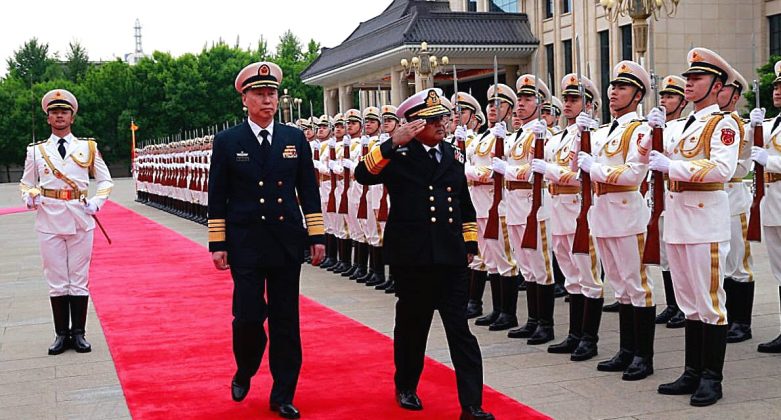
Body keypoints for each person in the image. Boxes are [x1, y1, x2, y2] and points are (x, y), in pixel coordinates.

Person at [355, 88, 493, 420]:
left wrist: (469, 244)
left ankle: (471, 405)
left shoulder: (453, 155)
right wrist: (391, 142)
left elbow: (463, 204)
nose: (442, 125)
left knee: (460, 329)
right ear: (415, 126)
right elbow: (362, 175)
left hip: (450, 258)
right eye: (433, 121)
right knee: (412, 327)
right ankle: (406, 385)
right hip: (413, 258)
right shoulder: (398, 155)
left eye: (443, 118)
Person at [208, 61, 325, 419]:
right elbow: (217, 194)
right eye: (259, 94)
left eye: (272, 93)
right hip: (246, 243)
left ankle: (283, 392)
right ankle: (245, 368)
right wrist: (219, 243)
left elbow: (308, 188)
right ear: (245, 99)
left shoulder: (294, 138)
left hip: (286, 241)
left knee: (286, 320)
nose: (267, 100)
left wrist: (316, 235)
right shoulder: (228, 141)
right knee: (247, 316)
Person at [645, 47, 738, 407]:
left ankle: (712, 378)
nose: (689, 83)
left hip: (705, 221)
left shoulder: (724, 123)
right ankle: (692, 371)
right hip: (678, 219)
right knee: (688, 303)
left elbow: (722, 170)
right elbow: (647, 157)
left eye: (697, 78)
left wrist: (672, 167)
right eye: (688, 77)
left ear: (717, 86)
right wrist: (647, 131)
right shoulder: (679, 125)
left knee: (709, 302)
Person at [19, 89, 113, 355]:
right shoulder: (36, 151)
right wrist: (30, 195)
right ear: (48, 118)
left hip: (81, 217)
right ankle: (61, 334)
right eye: (54, 112)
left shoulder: (87, 147)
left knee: (79, 278)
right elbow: (26, 182)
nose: (59, 116)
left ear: (72, 117)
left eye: (64, 112)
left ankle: (79, 334)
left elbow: (105, 180)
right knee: (57, 278)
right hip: (49, 217)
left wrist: (98, 201)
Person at [579, 61, 655, 381]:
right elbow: (577, 165)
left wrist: (594, 168)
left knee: (637, 287)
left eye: (622, 87)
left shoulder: (641, 129)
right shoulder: (600, 131)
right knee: (621, 288)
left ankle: (643, 356)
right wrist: (578, 136)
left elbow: (632, 174)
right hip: (604, 214)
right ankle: (626, 350)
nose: (613, 92)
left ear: (637, 96)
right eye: (612, 86)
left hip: (626, 213)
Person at [535, 74, 603, 360]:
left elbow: (580, 177)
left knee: (588, 274)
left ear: (590, 105)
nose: (568, 104)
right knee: (571, 274)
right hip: (558, 209)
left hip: (578, 208)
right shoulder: (559, 136)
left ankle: (589, 337)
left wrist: (549, 170)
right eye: (566, 98)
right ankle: (574, 334)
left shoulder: (592, 134)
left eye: (575, 99)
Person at [496, 75, 556, 345]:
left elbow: (534, 171)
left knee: (541, 266)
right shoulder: (516, 135)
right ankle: (532, 320)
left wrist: (506, 170)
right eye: (519, 99)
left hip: (536, 206)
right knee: (527, 266)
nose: (520, 103)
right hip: (515, 205)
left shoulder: (543, 135)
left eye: (527, 99)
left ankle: (546, 323)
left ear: (540, 103)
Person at [717, 67, 754, 343]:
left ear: (735, 94)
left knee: (738, 263)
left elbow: (741, 167)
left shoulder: (739, 126)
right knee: (722, 263)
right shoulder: (710, 124)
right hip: (714, 200)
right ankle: (728, 316)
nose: (719, 91)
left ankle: (742, 322)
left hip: (732, 197)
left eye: (724, 87)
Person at [654, 75, 689, 329]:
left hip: (679, 195)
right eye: (663, 96)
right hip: (660, 197)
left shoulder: (686, 126)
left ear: (682, 101)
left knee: (682, 257)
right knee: (666, 256)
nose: (665, 100)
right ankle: (672, 304)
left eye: (671, 96)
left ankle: (684, 306)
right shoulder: (657, 126)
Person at [750, 60, 781, 353]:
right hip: (772, 205)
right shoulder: (771, 124)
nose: (777, 91)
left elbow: (766, 158)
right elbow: (749, 151)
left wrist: (768, 161)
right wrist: (752, 127)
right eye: (776, 86)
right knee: (780, 271)